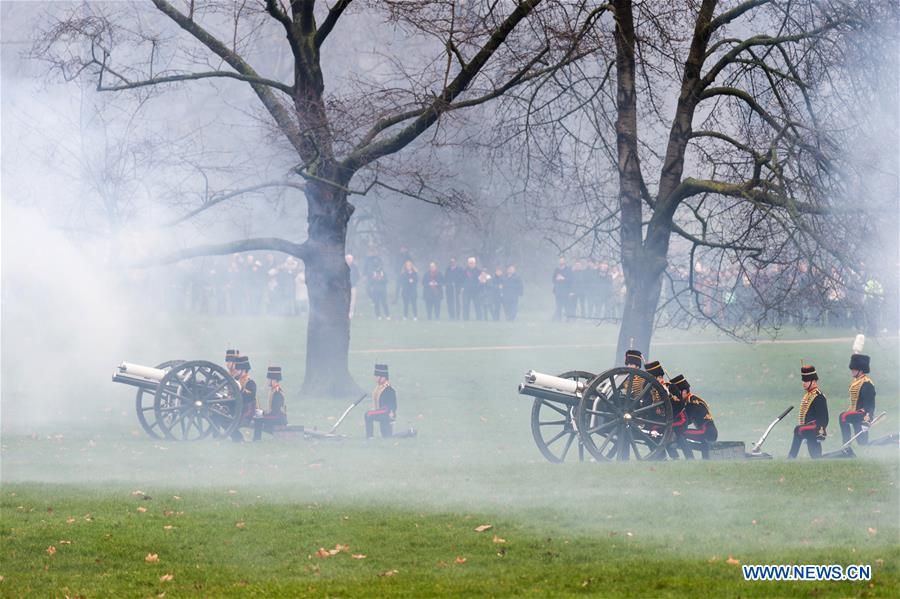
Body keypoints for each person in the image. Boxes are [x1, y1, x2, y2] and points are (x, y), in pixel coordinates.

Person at [645, 361, 688, 460]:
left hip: (676, 419)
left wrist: (668, 396)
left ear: (660, 377)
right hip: (659, 420)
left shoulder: (670, 387)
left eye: (657, 377)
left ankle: (675, 457)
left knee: (669, 434)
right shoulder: (648, 388)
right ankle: (661, 457)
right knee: (650, 433)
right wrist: (654, 408)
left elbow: (680, 404)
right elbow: (646, 404)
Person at [788, 365, 829, 459]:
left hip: (816, 428)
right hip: (809, 427)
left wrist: (820, 432)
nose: (804, 383)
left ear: (813, 381)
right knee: (817, 458)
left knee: (798, 429)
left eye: (806, 380)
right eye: (803, 380)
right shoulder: (808, 395)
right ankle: (841, 455)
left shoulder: (819, 396)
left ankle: (791, 457)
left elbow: (824, 418)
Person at [673, 375, 717, 459]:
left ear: (684, 391)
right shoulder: (690, 400)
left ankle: (690, 458)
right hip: (705, 430)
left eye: (678, 393)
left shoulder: (692, 402)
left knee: (681, 433)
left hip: (706, 431)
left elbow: (686, 420)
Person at [840, 354, 876, 452]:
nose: (852, 370)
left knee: (843, 416)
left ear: (861, 370)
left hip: (862, 415)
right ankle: (847, 447)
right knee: (863, 444)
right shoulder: (856, 382)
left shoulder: (867, 384)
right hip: (855, 414)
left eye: (854, 369)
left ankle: (846, 446)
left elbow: (870, 405)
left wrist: (867, 420)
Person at [253, 366, 288, 441]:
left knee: (258, 419)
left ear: (274, 379)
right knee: (259, 417)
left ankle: (256, 440)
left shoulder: (277, 393)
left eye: (269, 379)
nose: (267, 381)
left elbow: (275, 411)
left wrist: (262, 413)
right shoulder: (273, 391)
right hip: (276, 416)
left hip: (278, 418)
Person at [366, 363, 398, 438]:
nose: (375, 378)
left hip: (386, 412)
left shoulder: (389, 389)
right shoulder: (378, 388)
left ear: (383, 377)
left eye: (377, 376)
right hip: (380, 411)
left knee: (368, 414)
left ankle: (370, 437)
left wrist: (392, 414)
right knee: (387, 437)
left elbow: (392, 405)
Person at [231, 355, 257, 443]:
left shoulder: (250, 383)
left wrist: (240, 389)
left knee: (228, 422)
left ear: (243, 370)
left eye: (237, 369)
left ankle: (239, 438)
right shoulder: (236, 381)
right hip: (236, 410)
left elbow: (249, 397)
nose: (235, 371)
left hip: (246, 413)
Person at [346, 254, 360, 319]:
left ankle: (351, 313)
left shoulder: (354, 267)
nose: (349, 260)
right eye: (348, 259)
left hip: (352, 287)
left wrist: (354, 282)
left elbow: (357, 276)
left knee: (352, 300)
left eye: (350, 259)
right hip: (344, 287)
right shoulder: (342, 266)